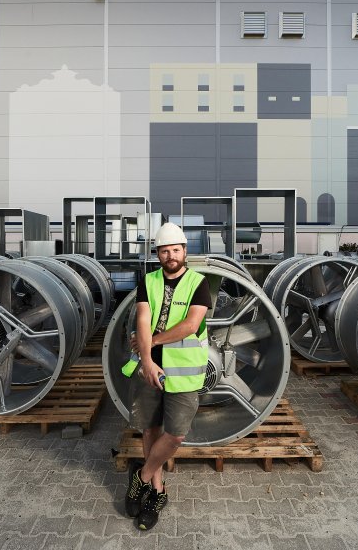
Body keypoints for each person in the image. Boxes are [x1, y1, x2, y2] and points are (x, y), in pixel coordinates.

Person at [121, 222, 211, 531]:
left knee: (175, 435)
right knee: (150, 428)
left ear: (185, 251)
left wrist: (155, 341)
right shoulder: (149, 280)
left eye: (175, 250)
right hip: (151, 369)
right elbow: (143, 319)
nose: (170, 255)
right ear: (157, 254)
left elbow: (190, 325)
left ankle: (142, 476)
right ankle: (157, 491)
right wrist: (146, 360)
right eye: (164, 250)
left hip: (182, 373)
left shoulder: (198, 282)